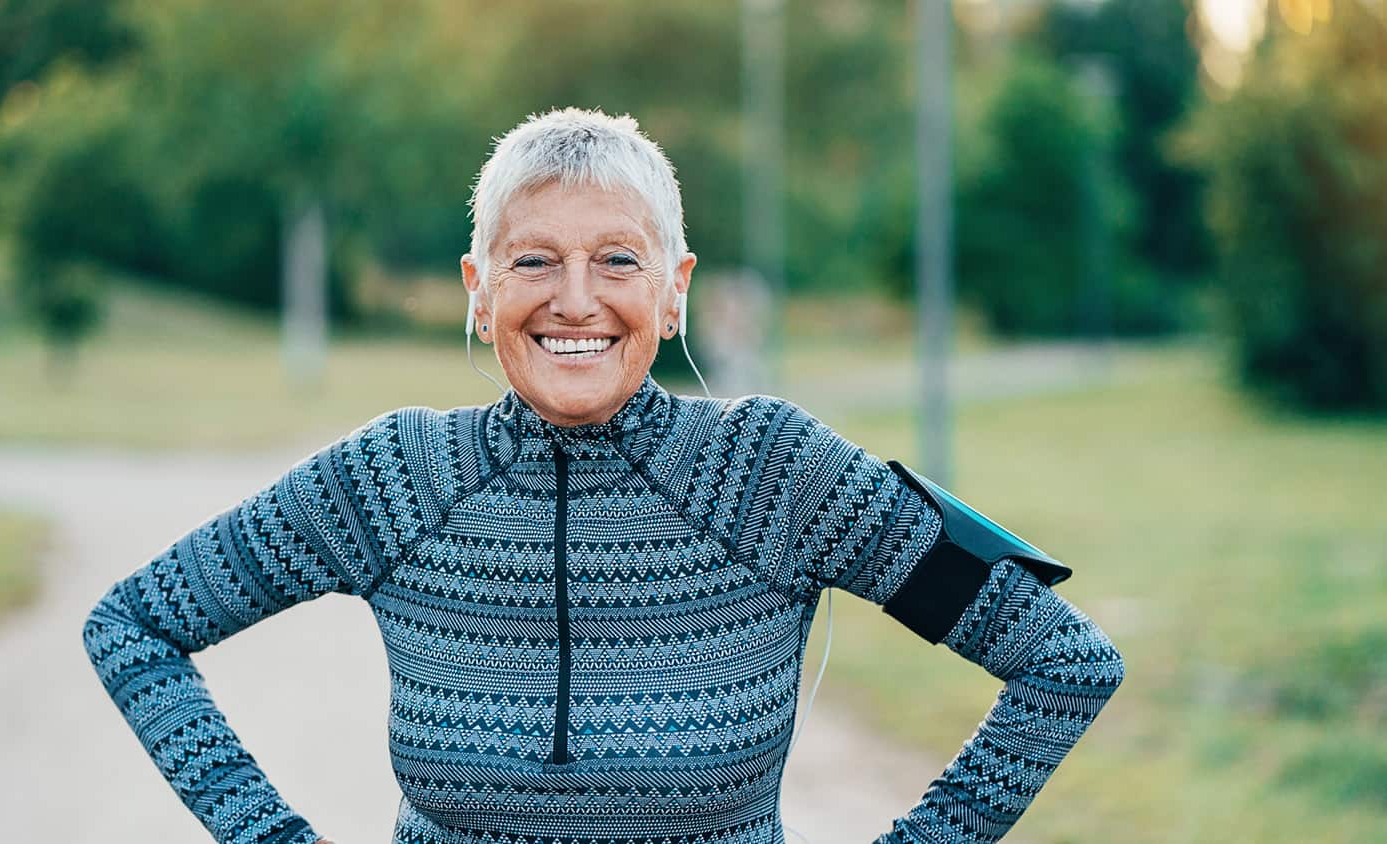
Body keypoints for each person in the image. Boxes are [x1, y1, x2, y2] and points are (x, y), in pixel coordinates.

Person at [83, 107, 1124, 844]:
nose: (575, 300)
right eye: (533, 260)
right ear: (479, 291)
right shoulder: (398, 476)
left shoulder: (775, 471)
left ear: (674, 293)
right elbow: (134, 626)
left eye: (618, 260)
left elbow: (1063, 663)